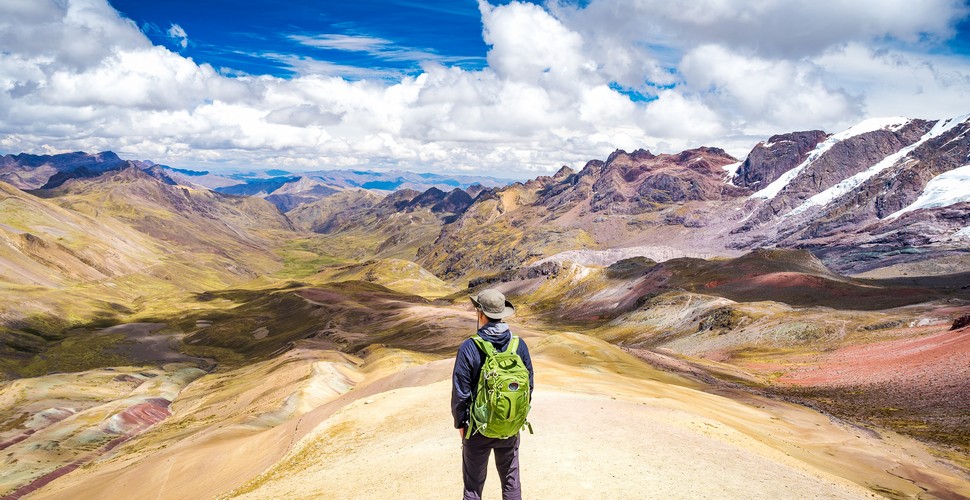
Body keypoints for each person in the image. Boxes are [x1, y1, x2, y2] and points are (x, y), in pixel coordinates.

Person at [451, 289, 534, 500]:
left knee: (473, 486)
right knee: (510, 481)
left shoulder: (470, 347)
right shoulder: (519, 345)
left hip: (477, 429)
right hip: (510, 426)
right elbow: (529, 385)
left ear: (481, 313)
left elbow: (461, 391)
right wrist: (514, 416)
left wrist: (461, 423)